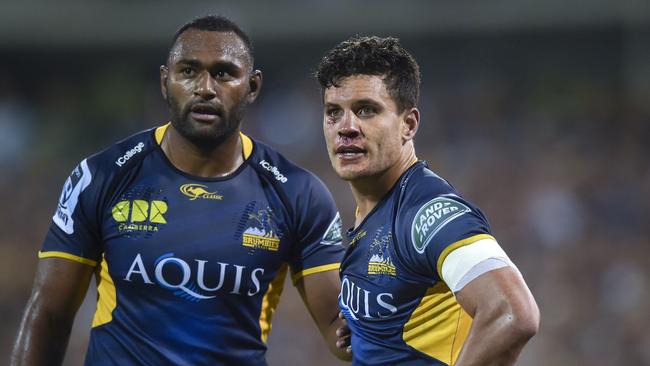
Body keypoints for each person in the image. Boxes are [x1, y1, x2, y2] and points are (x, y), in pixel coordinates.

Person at [12, 15, 350, 365]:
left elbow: (338, 329)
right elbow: (49, 312)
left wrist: (399, 306)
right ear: (164, 81)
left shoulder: (297, 193)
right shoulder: (101, 176)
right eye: (188, 71)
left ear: (252, 87)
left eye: (223, 73)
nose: (205, 87)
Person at [316, 36, 540, 366]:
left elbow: (513, 314)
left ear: (408, 124)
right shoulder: (374, 211)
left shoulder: (428, 212)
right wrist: (370, 328)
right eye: (334, 112)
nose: (346, 128)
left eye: (366, 110)